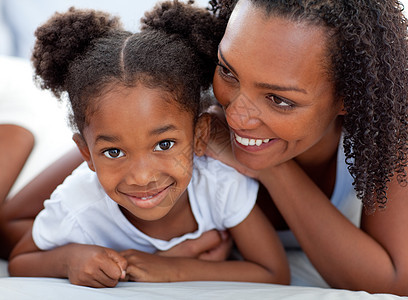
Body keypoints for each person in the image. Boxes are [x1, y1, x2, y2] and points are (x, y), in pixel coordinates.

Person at [7, 3, 290, 288]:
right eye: (113, 152)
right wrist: (69, 259)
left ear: (200, 136)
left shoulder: (219, 184)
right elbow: (19, 261)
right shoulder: (78, 203)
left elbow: (273, 272)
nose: (142, 177)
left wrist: (174, 268)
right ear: (86, 155)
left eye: (164, 144)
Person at [199, 0, 408, 295]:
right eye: (228, 72)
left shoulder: (387, 134)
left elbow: (396, 283)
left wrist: (275, 171)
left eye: (279, 99)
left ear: (349, 96)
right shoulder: (184, 112)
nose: (235, 116)